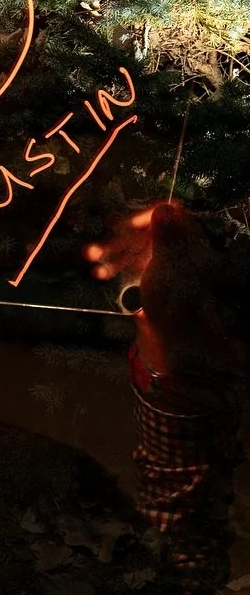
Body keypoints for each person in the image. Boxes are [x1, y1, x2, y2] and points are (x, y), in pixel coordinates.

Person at [90, 200, 248, 592]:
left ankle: (189, 572)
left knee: (181, 503)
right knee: (197, 471)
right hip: (193, 382)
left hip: (188, 385)